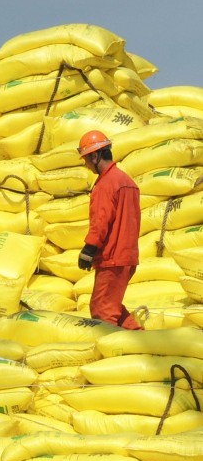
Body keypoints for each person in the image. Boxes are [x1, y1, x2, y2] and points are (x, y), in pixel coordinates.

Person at [77, 130, 143, 330]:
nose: (86, 165)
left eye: (86, 160)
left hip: (112, 258)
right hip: (127, 257)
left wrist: (89, 250)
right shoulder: (128, 182)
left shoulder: (106, 184)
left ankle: (117, 354)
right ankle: (142, 339)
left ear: (95, 156)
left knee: (102, 311)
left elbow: (101, 221)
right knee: (112, 308)